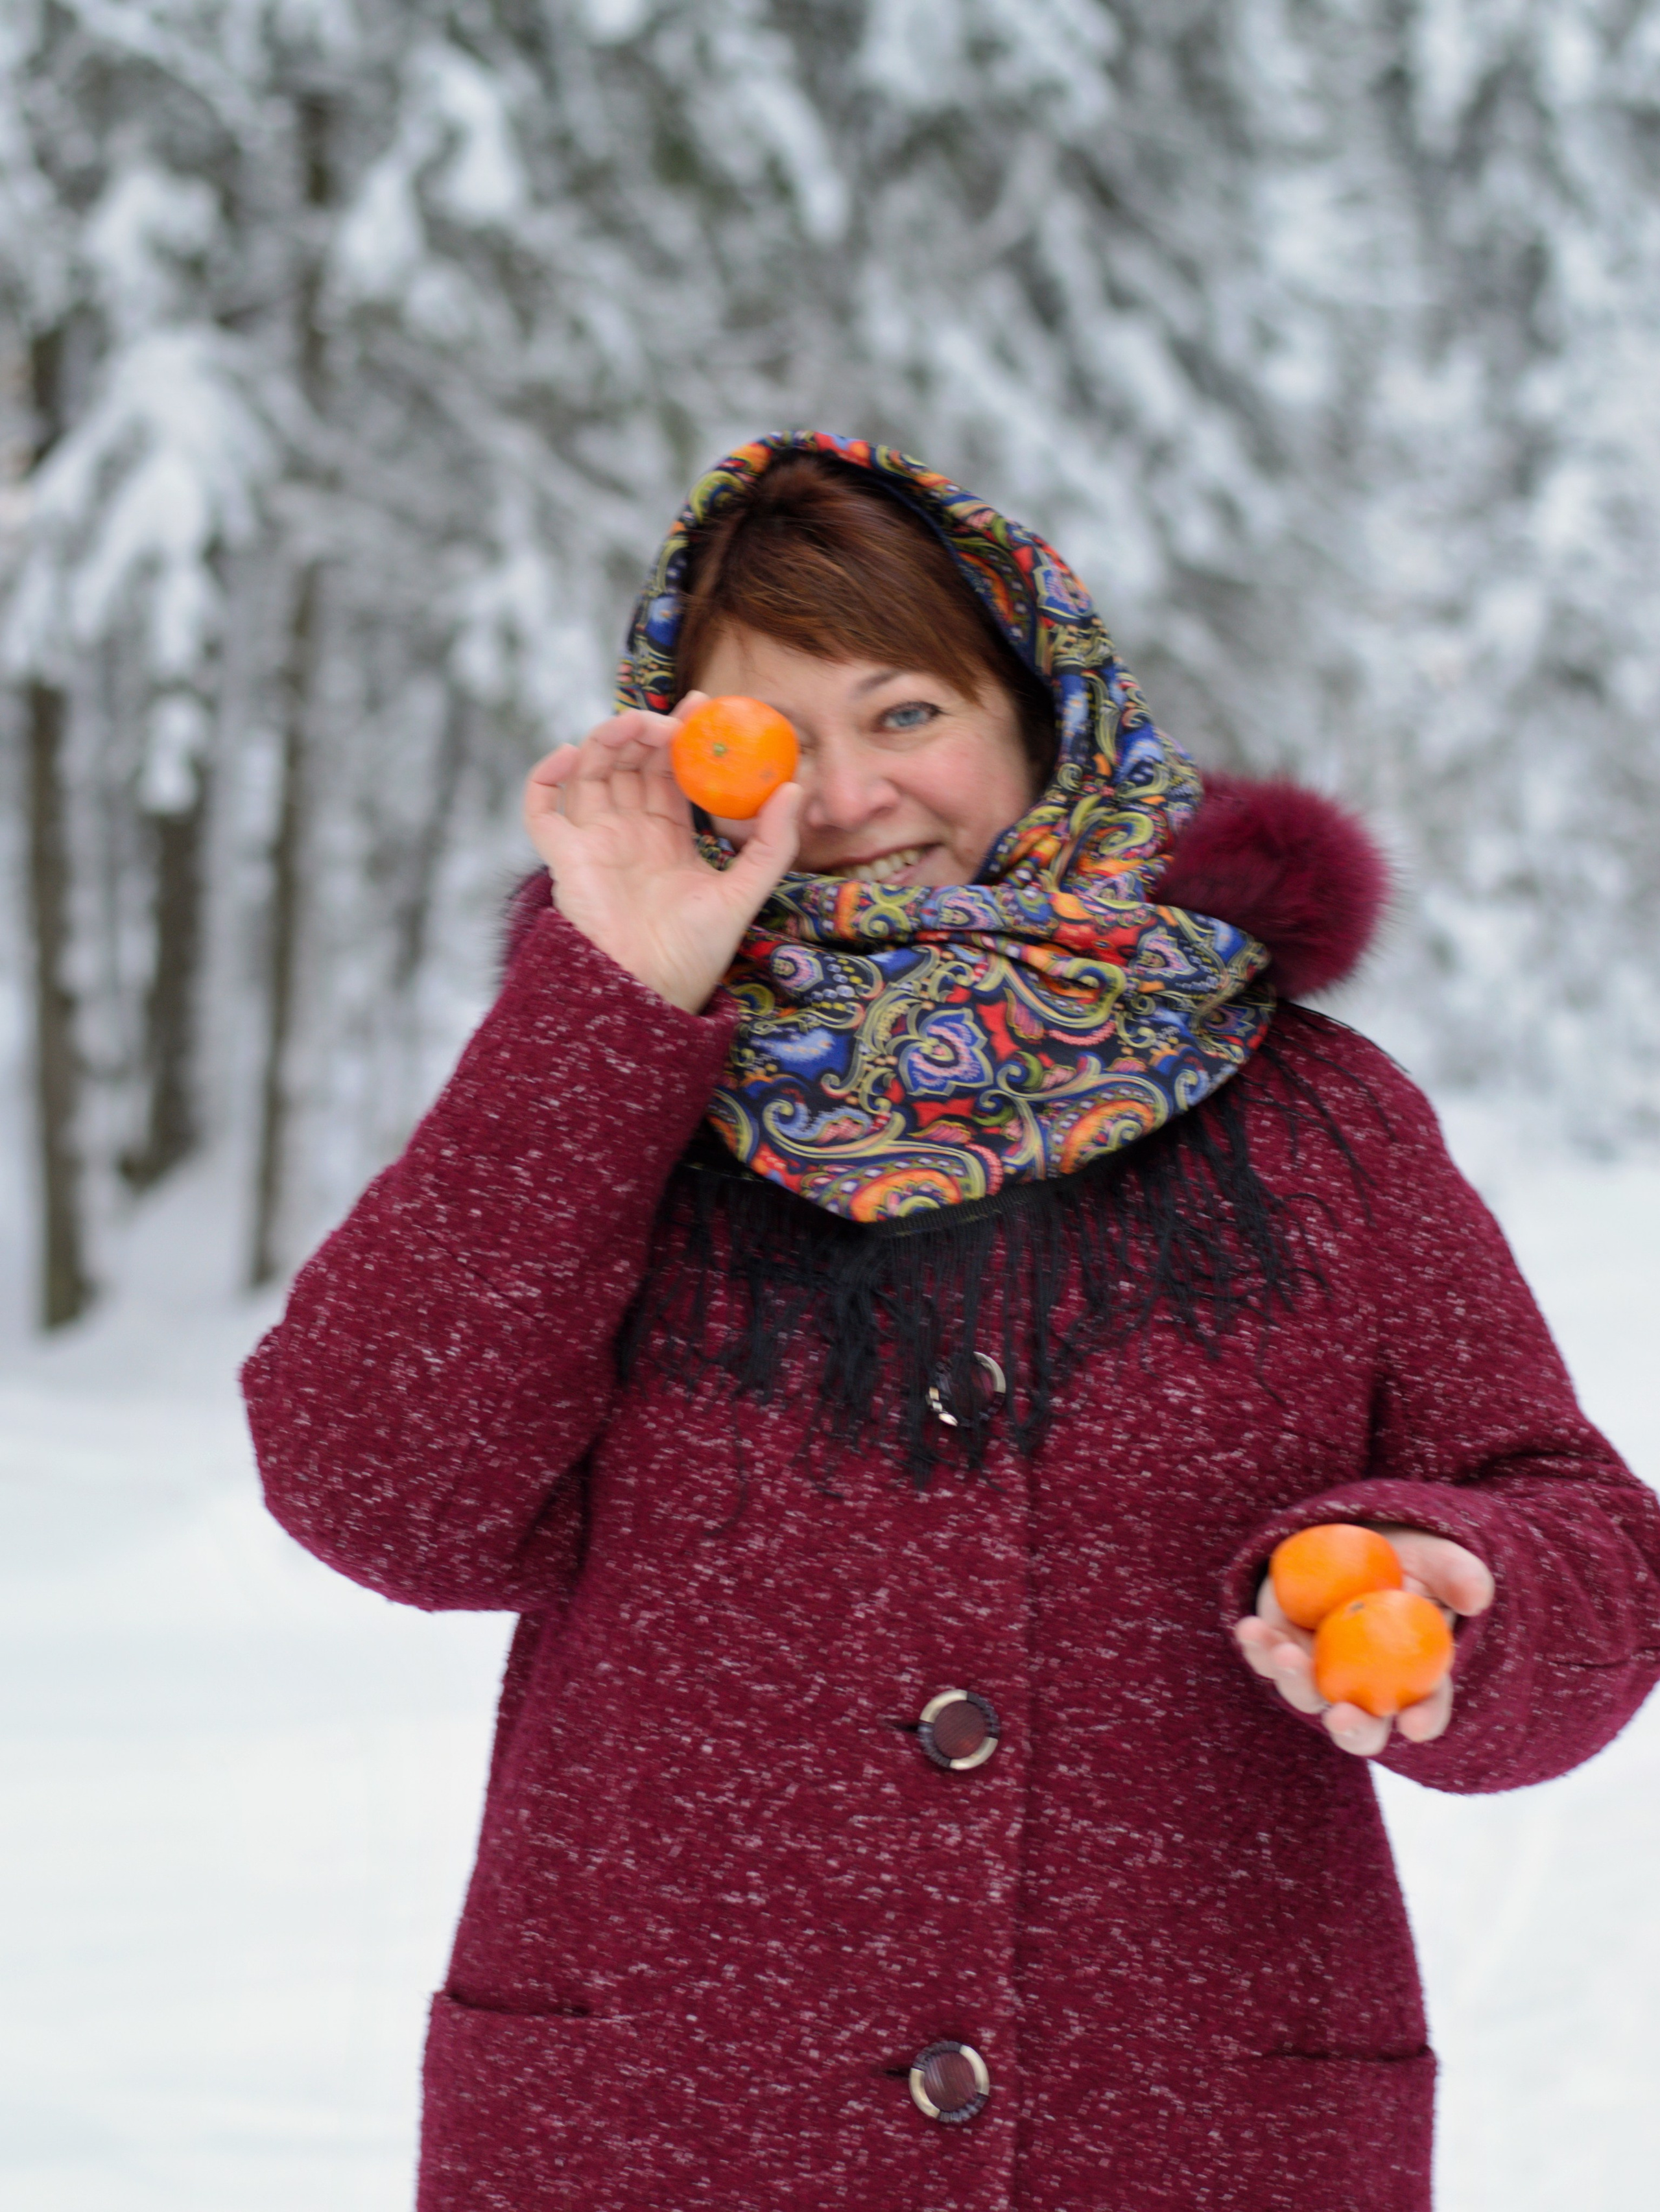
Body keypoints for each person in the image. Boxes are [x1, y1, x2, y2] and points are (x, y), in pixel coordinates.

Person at [243, 432, 1660, 2212]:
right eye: (768, 737)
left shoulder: (1313, 1117)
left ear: (1040, 717)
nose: (841, 797)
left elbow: (1581, 1521)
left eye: (906, 711)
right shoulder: (606, 1090)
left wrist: (1469, 1582)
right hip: (672, 2135)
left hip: (1191, 2132)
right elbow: (381, 1488)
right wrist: (609, 1007)